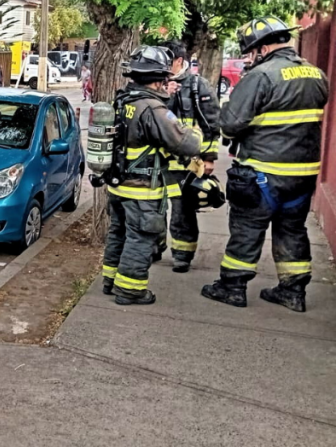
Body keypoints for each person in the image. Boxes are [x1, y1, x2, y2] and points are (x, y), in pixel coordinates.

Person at [202, 17, 329, 312]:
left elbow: (231, 124)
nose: (249, 57)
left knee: (247, 228)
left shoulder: (262, 75)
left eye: (251, 51)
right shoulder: (316, 75)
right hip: (302, 175)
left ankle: (232, 287)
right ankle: (293, 291)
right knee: (292, 230)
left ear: (263, 48)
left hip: (263, 172)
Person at [102, 46, 203, 305]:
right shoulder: (153, 109)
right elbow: (186, 144)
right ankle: (130, 291)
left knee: (119, 234)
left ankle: (110, 281)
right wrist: (197, 135)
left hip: (118, 187)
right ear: (159, 78)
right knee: (141, 238)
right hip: (142, 190)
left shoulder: (123, 100)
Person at [161, 41, 221, 273]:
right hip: (157, 162)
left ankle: (182, 255)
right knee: (153, 210)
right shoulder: (156, 83)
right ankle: (154, 248)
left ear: (178, 61)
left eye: (167, 62)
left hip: (185, 164)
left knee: (182, 211)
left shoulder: (198, 86)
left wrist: (209, 158)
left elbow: (212, 124)